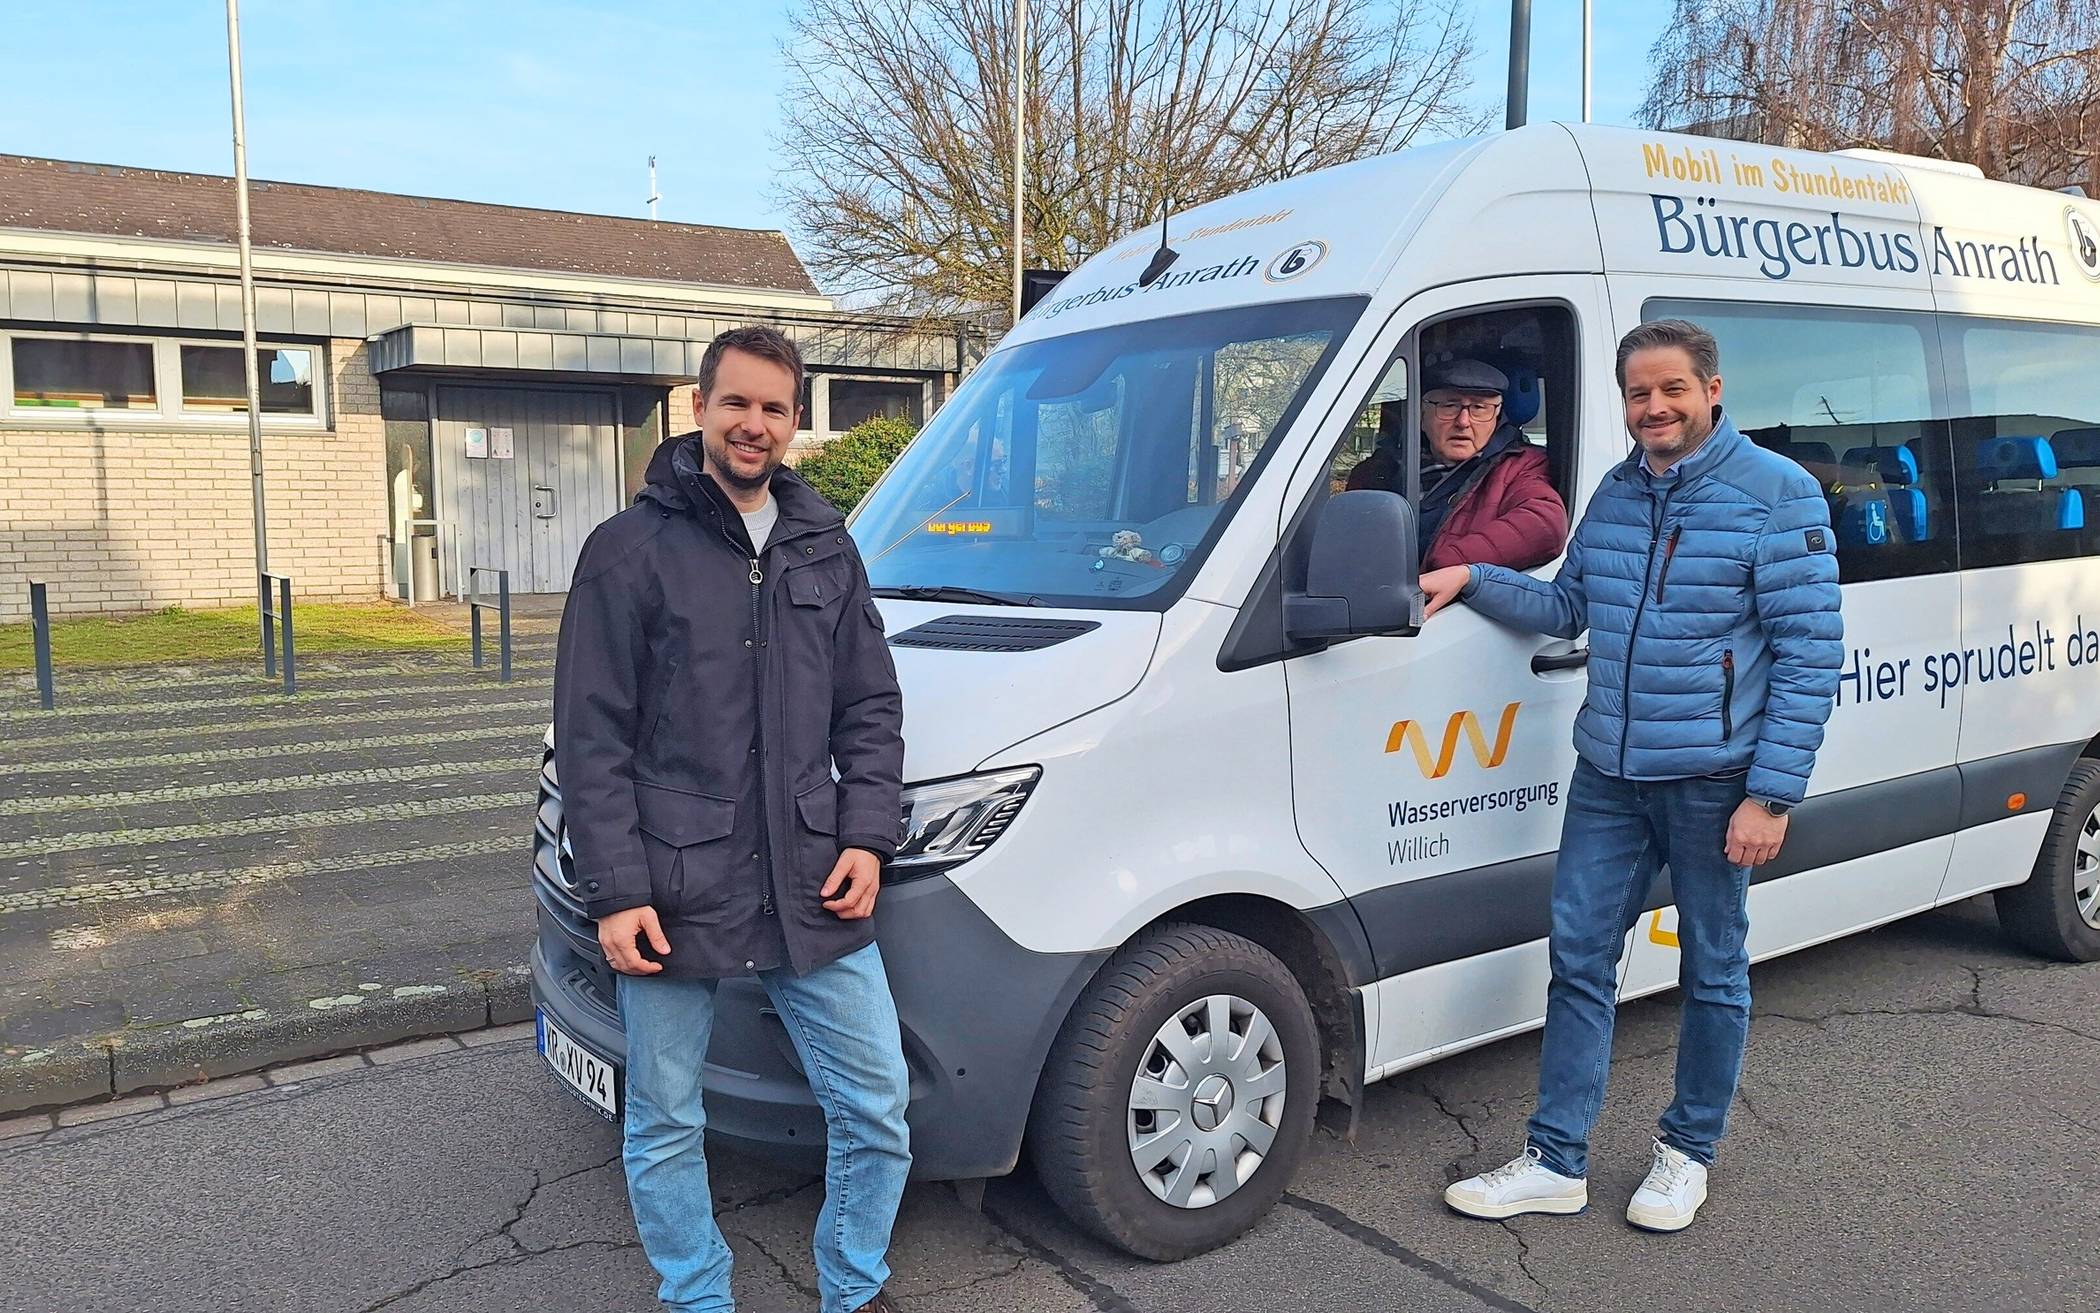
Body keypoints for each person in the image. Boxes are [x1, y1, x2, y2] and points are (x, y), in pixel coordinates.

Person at [1421, 320, 1842, 1233]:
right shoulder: (1615, 492)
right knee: (1578, 958)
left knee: (1714, 967)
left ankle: (1686, 1153)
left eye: (1671, 390)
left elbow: (1811, 656)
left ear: (1712, 389)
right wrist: (1471, 575)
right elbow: (1571, 604)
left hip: (1714, 776)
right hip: (1609, 768)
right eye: (1638, 393)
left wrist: (1770, 795)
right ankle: (1555, 1160)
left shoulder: (1777, 493)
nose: (1653, 407)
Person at [554, 325, 911, 1313]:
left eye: (775, 407)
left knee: (876, 1105)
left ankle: (854, 1283)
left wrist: (866, 835)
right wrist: (616, 889)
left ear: (795, 422)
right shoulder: (628, 551)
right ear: (700, 408)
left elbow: (870, 705)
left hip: (812, 879)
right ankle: (697, 1292)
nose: (755, 424)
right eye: (737, 402)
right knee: (666, 1116)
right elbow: (592, 737)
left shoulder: (824, 544)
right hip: (673, 888)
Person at [1346, 357, 1568, 571]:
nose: (1463, 422)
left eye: (1479, 409)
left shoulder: (1521, 467)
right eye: (1449, 406)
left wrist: (1444, 567)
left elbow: (1544, 526)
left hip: (1452, 606)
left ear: (1496, 418)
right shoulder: (1376, 473)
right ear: (1422, 416)